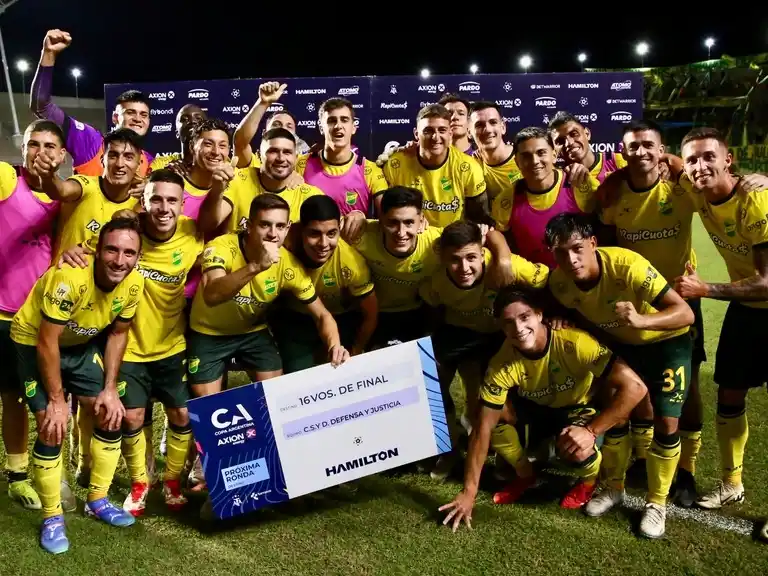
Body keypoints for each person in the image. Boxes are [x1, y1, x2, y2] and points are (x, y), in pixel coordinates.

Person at [439, 288, 647, 531]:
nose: (517, 328)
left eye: (524, 317)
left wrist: (590, 431)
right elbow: (481, 429)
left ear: (539, 315)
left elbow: (636, 387)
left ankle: (589, 479)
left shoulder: (575, 342)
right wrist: (469, 493)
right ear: (501, 327)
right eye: (508, 322)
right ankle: (526, 474)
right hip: (535, 408)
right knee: (491, 422)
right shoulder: (501, 363)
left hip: (575, 410)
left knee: (577, 449)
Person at [58, 170, 203, 516]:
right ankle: (140, 483)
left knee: (182, 412)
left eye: (171, 200)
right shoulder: (126, 236)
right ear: (144, 201)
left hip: (173, 346)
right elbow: (88, 253)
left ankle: (171, 482)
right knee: (132, 417)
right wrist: (72, 253)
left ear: (183, 205)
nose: (163, 207)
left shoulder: (192, 236)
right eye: (156, 199)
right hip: (128, 350)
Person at [545, 213, 694, 538]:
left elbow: (685, 312)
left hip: (668, 341)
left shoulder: (628, 266)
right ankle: (613, 488)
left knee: (667, 422)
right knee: (616, 415)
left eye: (577, 248)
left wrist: (641, 321)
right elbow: (570, 309)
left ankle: (657, 503)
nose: (571, 259)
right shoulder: (559, 283)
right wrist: (562, 320)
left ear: (593, 244)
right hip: (625, 346)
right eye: (560, 252)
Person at [10, 217, 145, 554]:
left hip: (80, 344)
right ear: (96, 251)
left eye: (129, 253)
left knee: (109, 412)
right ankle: (52, 516)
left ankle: (97, 499)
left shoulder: (134, 284)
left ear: (138, 258)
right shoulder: (70, 278)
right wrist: (56, 400)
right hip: (33, 342)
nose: (119, 260)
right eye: (112, 250)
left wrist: (110, 388)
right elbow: (46, 342)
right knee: (52, 426)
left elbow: (118, 333)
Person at [597, 120, 703, 506]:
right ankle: (642, 458)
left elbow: (720, 183)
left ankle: (687, 471)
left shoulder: (682, 188)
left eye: (648, 146)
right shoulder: (612, 196)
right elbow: (606, 246)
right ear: (622, 155)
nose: (640, 152)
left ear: (661, 151)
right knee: (635, 379)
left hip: (680, 299)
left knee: (685, 386)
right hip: (634, 303)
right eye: (632, 148)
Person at [672, 128, 768, 526]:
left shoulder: (756, 200)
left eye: (709, 157)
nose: (699, 166)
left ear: (728, 160)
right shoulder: (695, 187)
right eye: (693, 159)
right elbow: (672, 164)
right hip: (747, 311)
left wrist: (705, 288)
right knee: (729, 394)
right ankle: (732, 483)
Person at [420, 222, 550, 479]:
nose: (464, 268)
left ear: (482, 253)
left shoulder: (506, 265)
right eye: (455, 260)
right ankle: (448, 447)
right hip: (457, 332)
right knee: (430, 380)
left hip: (495, 336)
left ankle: (508, 452)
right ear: (443, 258)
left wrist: (553, 318)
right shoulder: (436, 282)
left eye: (471, 258)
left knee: (493, 400)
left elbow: (548, 280)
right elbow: (432, 312)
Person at [0, 120, 66, 511]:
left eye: (49, 146)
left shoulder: (68, 197)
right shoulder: (8, 180)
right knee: (11, 396)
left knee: (42, 398)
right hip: (3, 315)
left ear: (62, 155)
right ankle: (20, 474)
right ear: (23, 149)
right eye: (33, 144)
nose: (41, 152)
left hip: (44, 319)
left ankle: (39, 470)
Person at [272, 195, 378, 372]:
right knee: (297, 375)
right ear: (300, 230)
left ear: (339, 229)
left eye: (331, 234)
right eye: (314, 234)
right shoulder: (281, 247)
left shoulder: (352, 263)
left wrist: (357, 349)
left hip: (341, 318)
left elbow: (371, 314)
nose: (323, 244)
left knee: (343, 370)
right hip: (295, 319)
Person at [30, 29, 153, 176]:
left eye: (143, 114)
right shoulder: (91, 142)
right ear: (115, 117)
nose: (138, 119)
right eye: (130, 112)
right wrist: (49, 54)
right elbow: (41, 106)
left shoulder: (148, 160)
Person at [491, 127, 598, 267]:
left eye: (541, 153)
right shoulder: (505, 200)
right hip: (535, 281)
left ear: (554, 155)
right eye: (526, 156)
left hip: (577, 279)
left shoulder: (578, 184)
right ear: (517, 161)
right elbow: (499, 238)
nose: (535, 161)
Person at [197, 127, 324, 235]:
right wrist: (217, 190)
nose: (281, 158)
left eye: (287, 152)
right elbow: (206, 225)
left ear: (296, 158)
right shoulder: (237, 180)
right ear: (258, 155)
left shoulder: (310, 196)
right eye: (273, 151)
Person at [381, 104, 488, 226]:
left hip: (453, 240)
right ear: (416, 134)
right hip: (410, 237)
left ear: (450, 134)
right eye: (428, 131)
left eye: (442, 130)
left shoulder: (469, 167)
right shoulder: (395, 165)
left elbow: (478, 220)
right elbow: (387, 215)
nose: (435, 137)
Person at [301, 97, 388, 215]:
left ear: (353, 128)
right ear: (321, 128)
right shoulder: (300, 165)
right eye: (331, 120)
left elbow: (389, 218)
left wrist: (363, 219)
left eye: (344, 120)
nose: (338, 126)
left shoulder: (369, 170)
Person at [233, 82, 310, 169]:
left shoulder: (303, 165)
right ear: (264, 132)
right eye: (276, 124)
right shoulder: (254, 165)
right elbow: (240, 143)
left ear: (296, 136)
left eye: (289, 126)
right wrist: (263, 103)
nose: (283, 129)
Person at [549, 111, 627, 183]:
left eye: (573, 134)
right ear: (554, 149)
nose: (569, 143)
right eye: (560, 141)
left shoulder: (618, 162)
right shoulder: (555, 179)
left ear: (587, 134)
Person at [468, 101, 521, 203]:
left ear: (503, 127)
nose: (487, 129)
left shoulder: (524, 158)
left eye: (493, 122)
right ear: (469, 133)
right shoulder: (470, 166)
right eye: (479, 125)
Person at [149, 104, 207, 171]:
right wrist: (167, 175)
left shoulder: (216, 165)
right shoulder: (161, 164)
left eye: (198, 118)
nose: (192, 121)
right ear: (177, 133)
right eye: (185, 119)